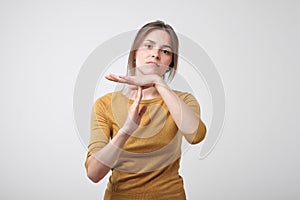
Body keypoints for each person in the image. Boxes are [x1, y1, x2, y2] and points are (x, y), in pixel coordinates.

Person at [85, 20, 207, 200]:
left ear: (170, 62)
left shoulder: (182, 101)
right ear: (134, 54)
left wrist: (158, 82)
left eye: (165, 51)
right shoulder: (105, 105)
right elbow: (94, 173)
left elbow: (195, 136)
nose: (155, 54)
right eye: (148, 46)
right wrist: (126, 130)